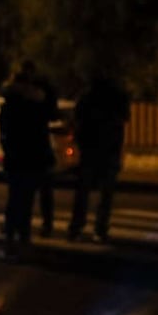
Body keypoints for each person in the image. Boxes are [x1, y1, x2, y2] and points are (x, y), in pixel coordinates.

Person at [0, 60, 57, 258]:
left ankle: (12, 239)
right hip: (31, 157)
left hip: (18, 157)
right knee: (25, 200)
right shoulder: (36, 103)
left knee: (16, 199)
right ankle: (21, 239)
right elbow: (49, 117)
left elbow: (5, 133)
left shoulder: (11, 104)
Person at [67, 72, 130, 244]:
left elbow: (76, 119)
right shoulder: (117, 97)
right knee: (105, 194)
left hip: (91, 149)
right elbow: (123, 120)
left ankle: (77, 227)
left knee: (84, 192)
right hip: (108, 149)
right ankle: (99, 229)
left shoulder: (87, 96)